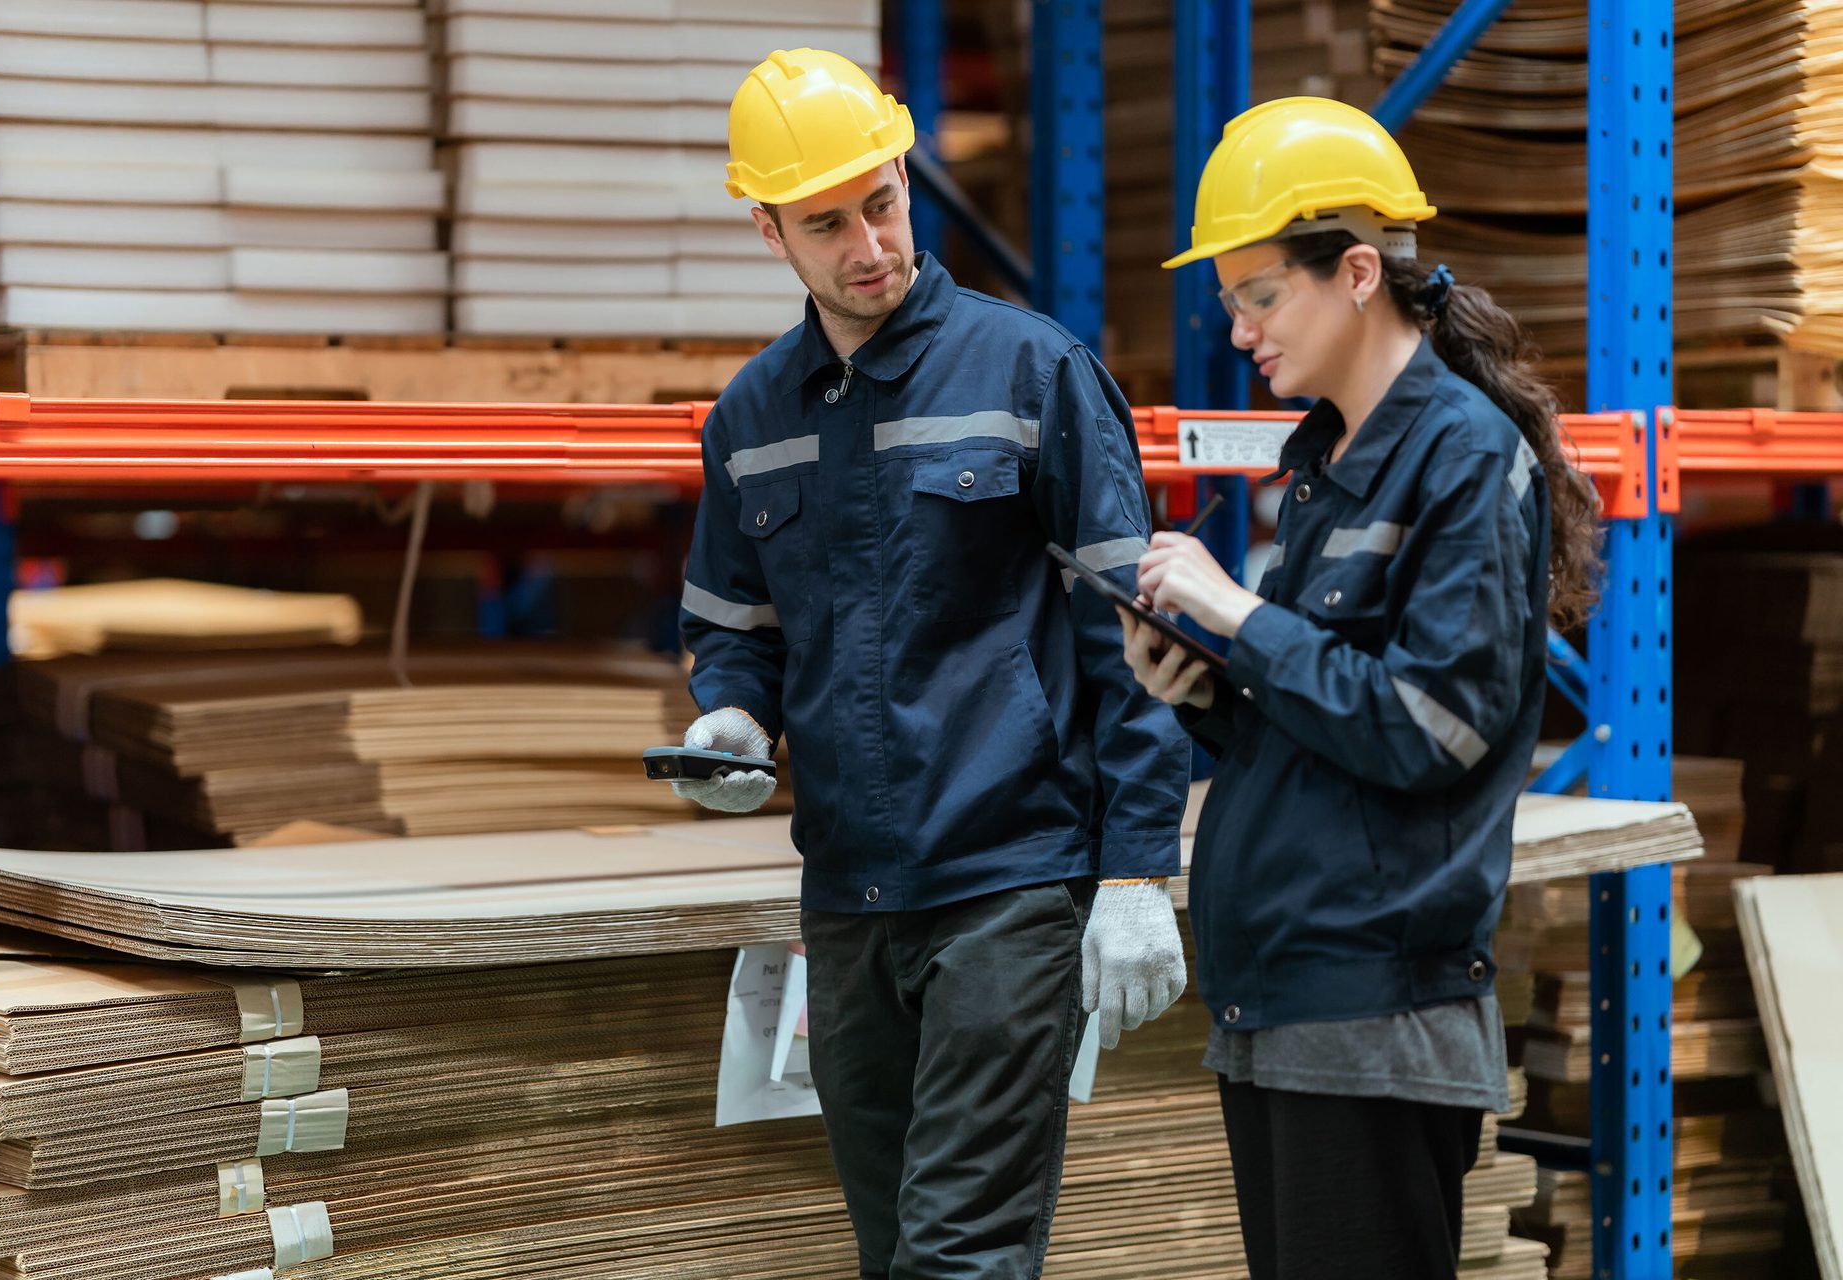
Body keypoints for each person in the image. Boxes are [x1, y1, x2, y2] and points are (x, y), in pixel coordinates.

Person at [674, 48, 1191, 1280]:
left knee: (960, 1254)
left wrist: (1133, 875)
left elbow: (1136, 643)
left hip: (1007, 885)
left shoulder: (1031, 372)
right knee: (894, 1249)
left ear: (907, 175)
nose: (868, 243)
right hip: (849, 901)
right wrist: (730, 723)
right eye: (825, 222)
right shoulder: (752, 418)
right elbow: (732, 626)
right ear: (768, 231)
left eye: (883, 202)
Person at [1123, 97, 1602, 1280]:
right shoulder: (1331, 462)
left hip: (1374, 1017)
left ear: (1353, 273)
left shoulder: (1461, 457)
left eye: (1257, 295)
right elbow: (1330, 729)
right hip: (1279, 1003)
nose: (1238, 331)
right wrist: (1203, 689)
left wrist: (1241, 612)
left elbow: (1433, 727)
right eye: (1230, 299)